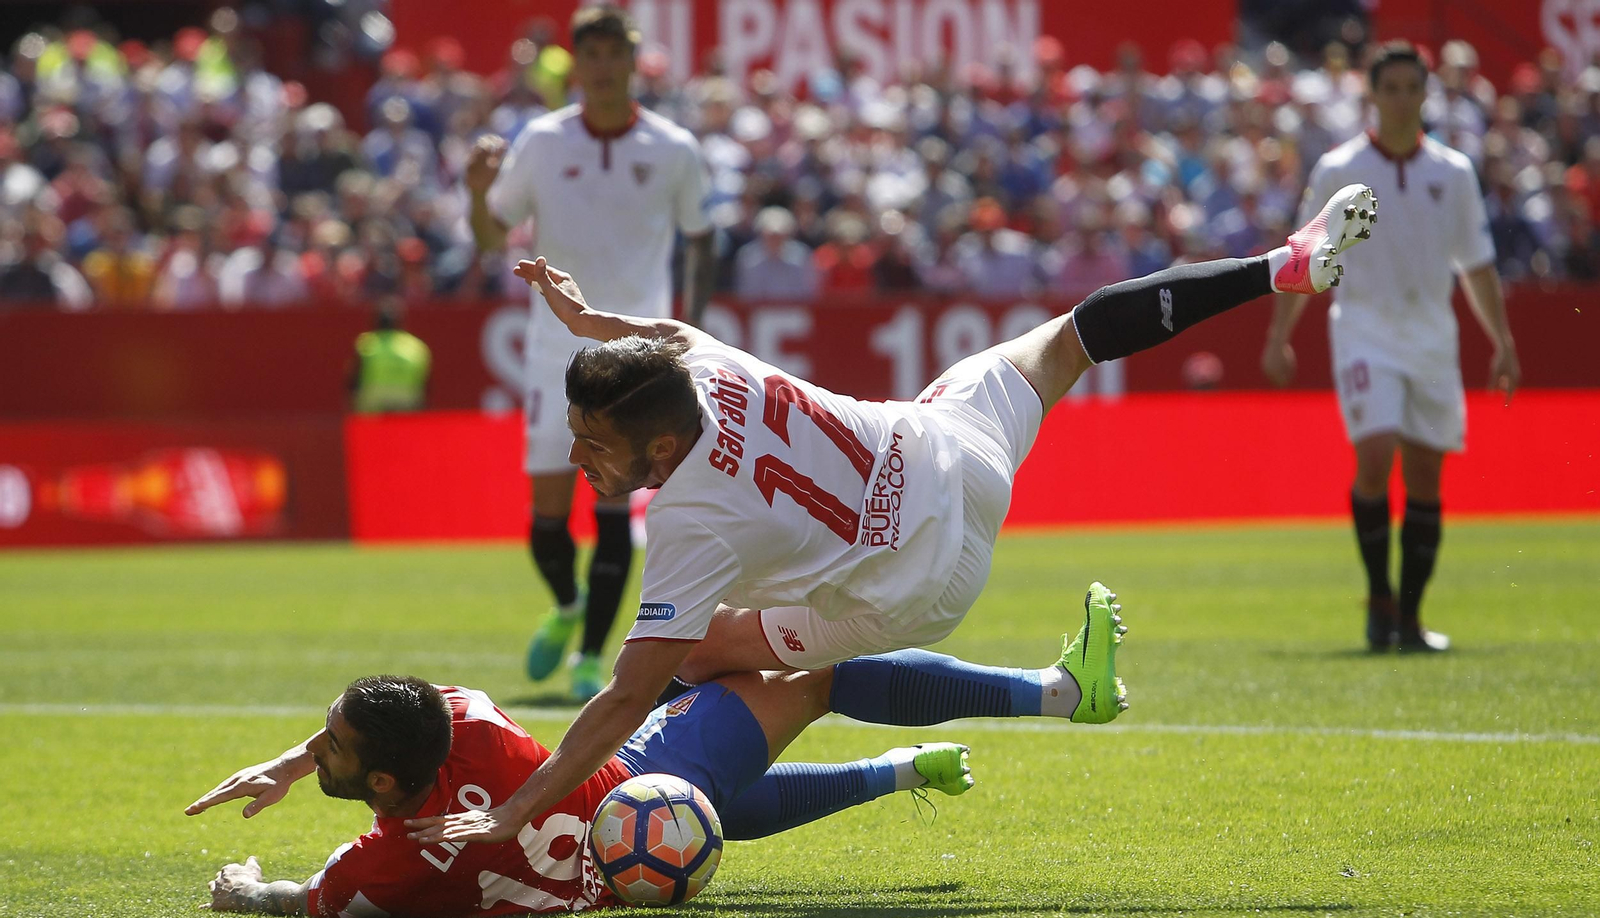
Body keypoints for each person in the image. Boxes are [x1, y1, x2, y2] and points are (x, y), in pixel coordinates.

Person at [405, 179, 1379, 849]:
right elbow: (657, 334)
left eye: (594, 445)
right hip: (950, 453)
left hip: (914, 588)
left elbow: (621, 691)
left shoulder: (688, 527)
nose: (577, 459)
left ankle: (688, 787)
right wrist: (588, 323)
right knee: (1074, 337)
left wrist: (516, 810)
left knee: (706, 661)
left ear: (661, 451)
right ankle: (1279, 266)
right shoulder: (703, 363)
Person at [189, 641, 1128, 918]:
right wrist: (293, 762)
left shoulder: (390, 861)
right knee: (816, 672)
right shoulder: (468, 717)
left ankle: (893, 772)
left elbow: (304, 895)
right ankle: (1060, 693)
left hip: (630, 868)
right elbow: (392, 723)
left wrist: (242, 891)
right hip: (644, 787)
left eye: (328, 744)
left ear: (386, 782)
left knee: (713, 795)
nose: (318, 747)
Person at [464, 5, 715, 700]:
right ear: (579, 64)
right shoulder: (542, 142)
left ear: (633, 61)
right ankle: (568, 605)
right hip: (553, 352)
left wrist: (693, 325)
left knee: (612, 504)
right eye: (592, 55)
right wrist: (475, 193)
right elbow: (492, 238)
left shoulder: (673, 148)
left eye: (615, 53)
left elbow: (702, 235)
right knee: (547, 517)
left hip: (636, 357)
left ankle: (589, 657)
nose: (604, 67)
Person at [1260, 41, 1520, 653]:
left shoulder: (1452, 172)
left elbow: (1477, 266)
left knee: (1427, 476)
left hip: (1433, 333)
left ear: (1426, 94)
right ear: (1372, 95)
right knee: (1375, 456)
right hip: (1364, 329)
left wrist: (1503, 342)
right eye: (1391, 88)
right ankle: (1379, 600)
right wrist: (1279, 334)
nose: (1402, 99)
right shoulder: (1337, 169)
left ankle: (1409, 616)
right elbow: (1306, 258)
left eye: (1412, 88)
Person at [350, 299, 431, 414]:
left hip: (374, 403)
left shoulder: (367, 344)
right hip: (407, 402)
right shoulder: (417, 347)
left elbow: (353, 379)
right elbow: (424, 384)